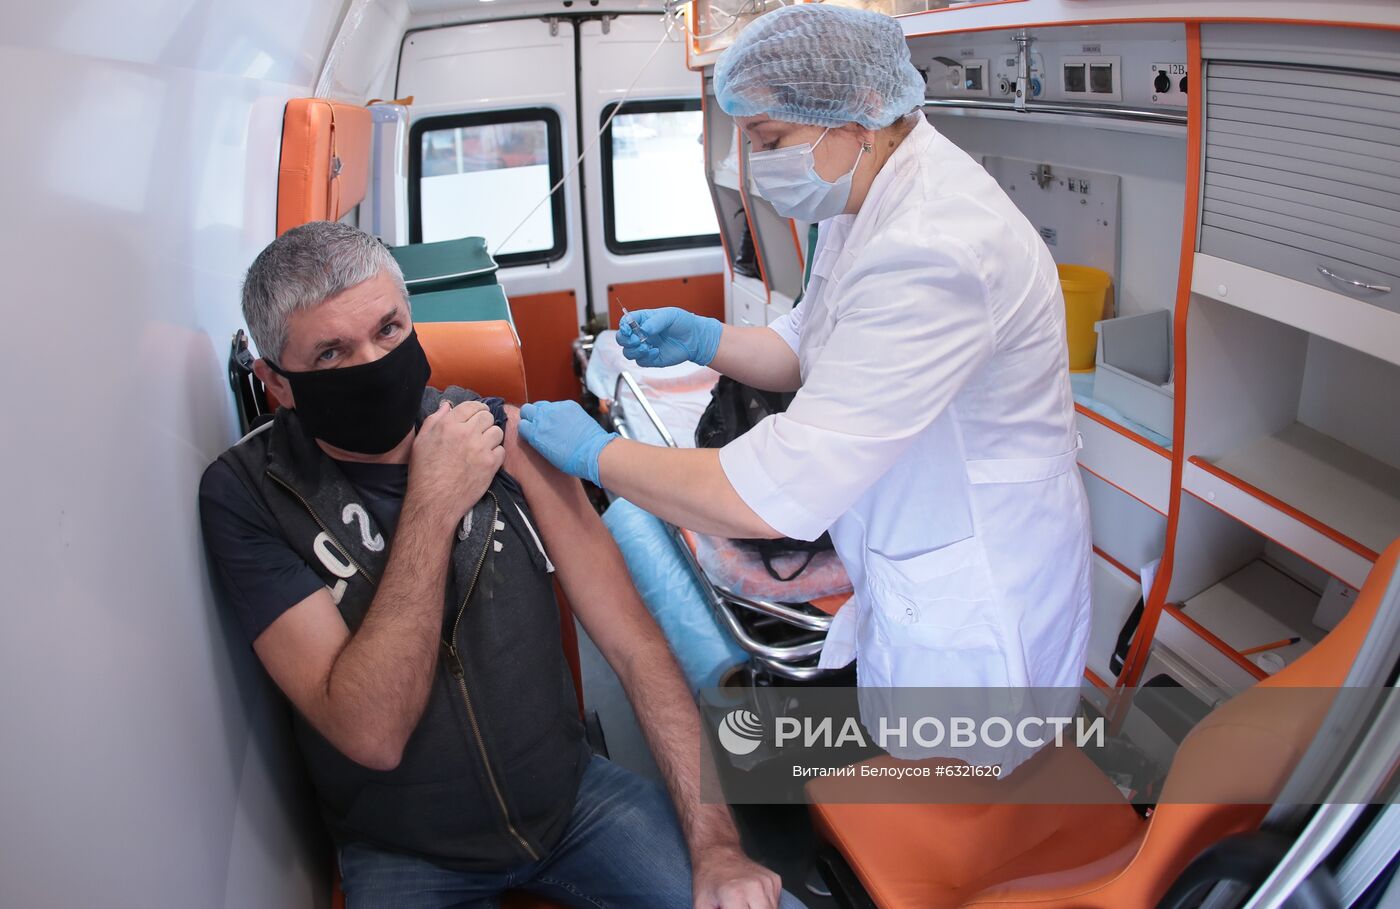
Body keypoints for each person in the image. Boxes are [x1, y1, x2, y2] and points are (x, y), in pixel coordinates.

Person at [519, 4, 1092, 766]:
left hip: (980, 594)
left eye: (769, 141)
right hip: (915, 557)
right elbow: (808, 341)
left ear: (859, 113)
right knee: (924, 776)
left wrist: (599, 456)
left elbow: (771, 489)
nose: (757, 167)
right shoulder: (864, 195)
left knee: (974, 795)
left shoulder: (937, 245)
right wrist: (708, 339)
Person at [198, 221, 805, 909]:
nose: (372, 361)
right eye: (331, 353)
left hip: (574, 803)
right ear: (277, 383)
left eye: (389, 329)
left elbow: (635, 647)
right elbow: (372, 733)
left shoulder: (503, 437)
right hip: (406, 851)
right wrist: (432, 500)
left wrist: (718, 847)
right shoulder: (251, 496)